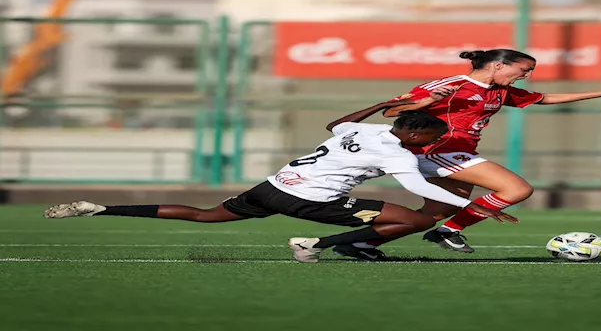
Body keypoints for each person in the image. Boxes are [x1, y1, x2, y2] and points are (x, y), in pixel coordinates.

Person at [44, 100, 517, 263]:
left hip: (272, 186)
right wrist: (486, 204)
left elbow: (337, 122)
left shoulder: (366, 130)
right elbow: (423, 190)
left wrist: (373, 106)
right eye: (429, 137)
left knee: (206, 215)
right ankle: (314, 241)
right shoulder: (392, 148)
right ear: (413, 132)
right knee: (413, 220)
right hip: (307, 202)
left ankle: (99, 208)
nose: (428, 143)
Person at [334, 49, 601, 259]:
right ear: (499, 64)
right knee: (517, 189)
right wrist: (424, 103)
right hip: (436, 150)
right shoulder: (452, 84)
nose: (525, 75)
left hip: (458, 152)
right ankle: (449, 232)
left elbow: (546, 98)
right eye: (523, 70)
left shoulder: (500, 91)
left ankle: (360, 244)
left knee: (433, 214)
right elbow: (392, 113)